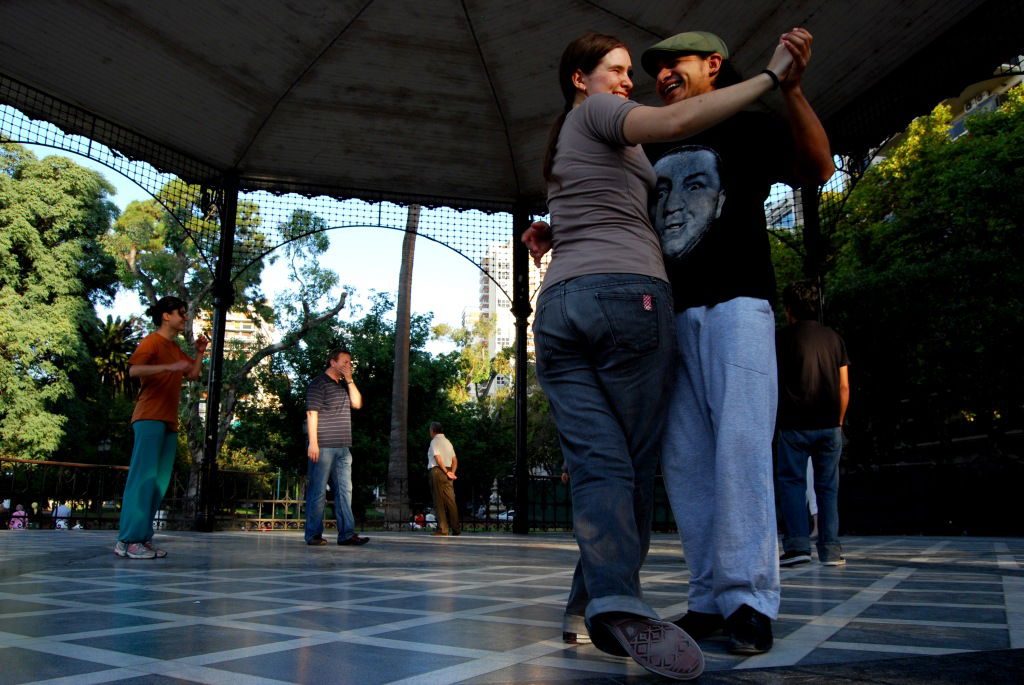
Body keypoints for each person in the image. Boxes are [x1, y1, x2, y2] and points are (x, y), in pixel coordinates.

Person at [522, 30, 794, 681]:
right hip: (645, 309)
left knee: (689, 453)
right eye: (623, 70)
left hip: (669, 305)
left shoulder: (596, 133)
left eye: (653, 68)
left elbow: (614, 201)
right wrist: (772, 74)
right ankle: (685, 597)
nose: (638, 79)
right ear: (581, 78)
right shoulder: (622, 120)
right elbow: (661, 141)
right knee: (654, 464)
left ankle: (739, 600)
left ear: (710, 65)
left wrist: (555, 232)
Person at [640, 29, 835, 654]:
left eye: (677, 64)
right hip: (668, 316)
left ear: (713, 66)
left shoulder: (747, 125)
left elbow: (816, 168)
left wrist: (795, 91)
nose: (664, 74)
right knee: (687, 460)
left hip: (738, 307)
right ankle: (708, 598)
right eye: (658, 68)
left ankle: (750, 600)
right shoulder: (649, 140)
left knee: (742, 450)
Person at [115, 296, 208, 559]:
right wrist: (169, 366)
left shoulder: (174, 347)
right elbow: (134, 371)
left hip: (168, 420)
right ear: (166, 316)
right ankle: (128, 540)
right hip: (148, 417)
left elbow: (192, 374)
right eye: (181, 313)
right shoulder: (153, 341)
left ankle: (142, 539)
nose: (185, 317)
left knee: (158, 483)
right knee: (142, 480)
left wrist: (199, 354)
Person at [775, 281, 850, 567]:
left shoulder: (781, 339)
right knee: (828, 487)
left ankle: (797, 546)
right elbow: (844, 386)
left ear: (789, 309)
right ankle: (830, 551)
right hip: (830, 423)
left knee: (792, 484)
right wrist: (839, 421)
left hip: (793, 424)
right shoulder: (834, 338)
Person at [304, 348, 368, 547]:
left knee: (345, 491)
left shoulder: (343, 386)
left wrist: (350, 380)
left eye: (350, 362)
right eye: (345, 362)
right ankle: (314, 535)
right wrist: (313, 443)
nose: (348, 365)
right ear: (333, 362)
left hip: (343, 447)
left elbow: (357, 404)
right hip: (323, 446)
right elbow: (311, 413)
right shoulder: (318, 383)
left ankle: (346, 534)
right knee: (318, 491)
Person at [426, 421, 460, 536]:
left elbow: (437, 458)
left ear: (432, 431)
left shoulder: (434, 441)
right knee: (451, 501)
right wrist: (451, 472)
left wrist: (445, 471)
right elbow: (455, 460)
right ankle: (456, 528)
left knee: (438, 501)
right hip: (449, 472)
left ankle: (443, 529)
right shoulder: (448, 442)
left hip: (437, 471)